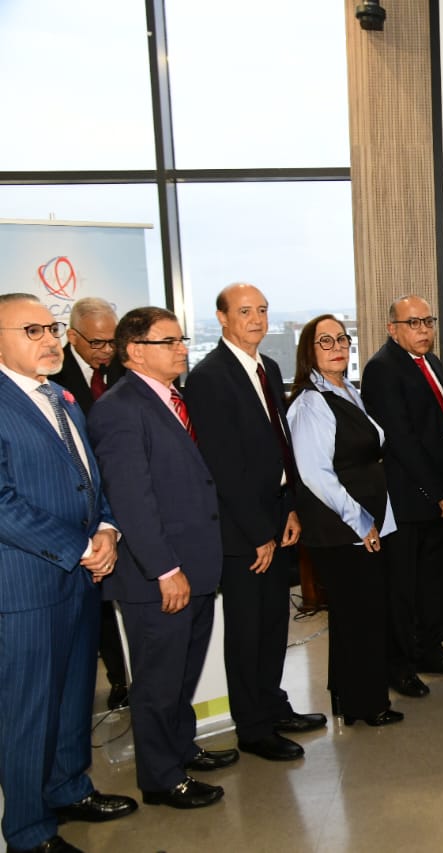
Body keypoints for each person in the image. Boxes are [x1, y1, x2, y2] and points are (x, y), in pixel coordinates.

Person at [0, 293, 136, 853]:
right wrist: (79, 546)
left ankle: (69, 788)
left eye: (51, 328)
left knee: (75, 696)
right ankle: (29, 830)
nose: (50, 340)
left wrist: (106, 529)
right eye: (32, 331)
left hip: (80, 577)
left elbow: (90, 479)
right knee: (29, 711)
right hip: (26, 586)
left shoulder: (61, 398)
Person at [89, 307, 232, 810]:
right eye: (168, 341)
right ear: (134, 351)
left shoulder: (173, 399)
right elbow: (132, 500)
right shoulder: (119, 408)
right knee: (158, 680)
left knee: (183, 672)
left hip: (196, 564)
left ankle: (180, 748)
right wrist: (165, 570)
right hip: (158, 574)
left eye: (181, 339)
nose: (181, 349)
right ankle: (161, 778)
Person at [184, 283, 325, 761]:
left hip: (275, 514)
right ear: (222, 318)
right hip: (242, 529)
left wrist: (289, 508)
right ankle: (253, 727)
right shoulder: (209, 377)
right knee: (247, 633)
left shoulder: (269, 367)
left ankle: (272, 705)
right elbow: (222, 466)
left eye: (262, 310)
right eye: (245, 311)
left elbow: (279, 446)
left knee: (273, 626)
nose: (257, 319)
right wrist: (258, 532)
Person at [287, 316, 404, 728]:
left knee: (357, 614)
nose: (337, 347)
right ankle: (366, 705)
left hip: (365, 522)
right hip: (341, 528)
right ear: (309, 351)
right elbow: (316, 475)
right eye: (325, 341)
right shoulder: (310, 404)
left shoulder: (346, 391)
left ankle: (350, 697)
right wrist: (361, 522)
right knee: (360, 616)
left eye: (341, 339)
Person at [361, 295, 443, 697]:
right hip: (408, 500)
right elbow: (402, 440)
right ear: (393, 329)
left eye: (428, 321)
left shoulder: (432, 362)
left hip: (440, 495)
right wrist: (440, 491)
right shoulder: (382, 369)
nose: (424, 329)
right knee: (403, 588)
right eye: (413, 323)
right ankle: (401, 666)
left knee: (433, 583)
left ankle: (430, 651)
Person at [49, 296, 129, 711]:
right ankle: (117, 678)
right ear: (73, 336)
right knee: (98, 601)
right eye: (97, 343)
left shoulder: (124, 368)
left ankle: (134, 672)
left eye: (113, 341)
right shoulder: (52, 374)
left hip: (127, 497)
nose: (106, 351)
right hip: (81, 506)